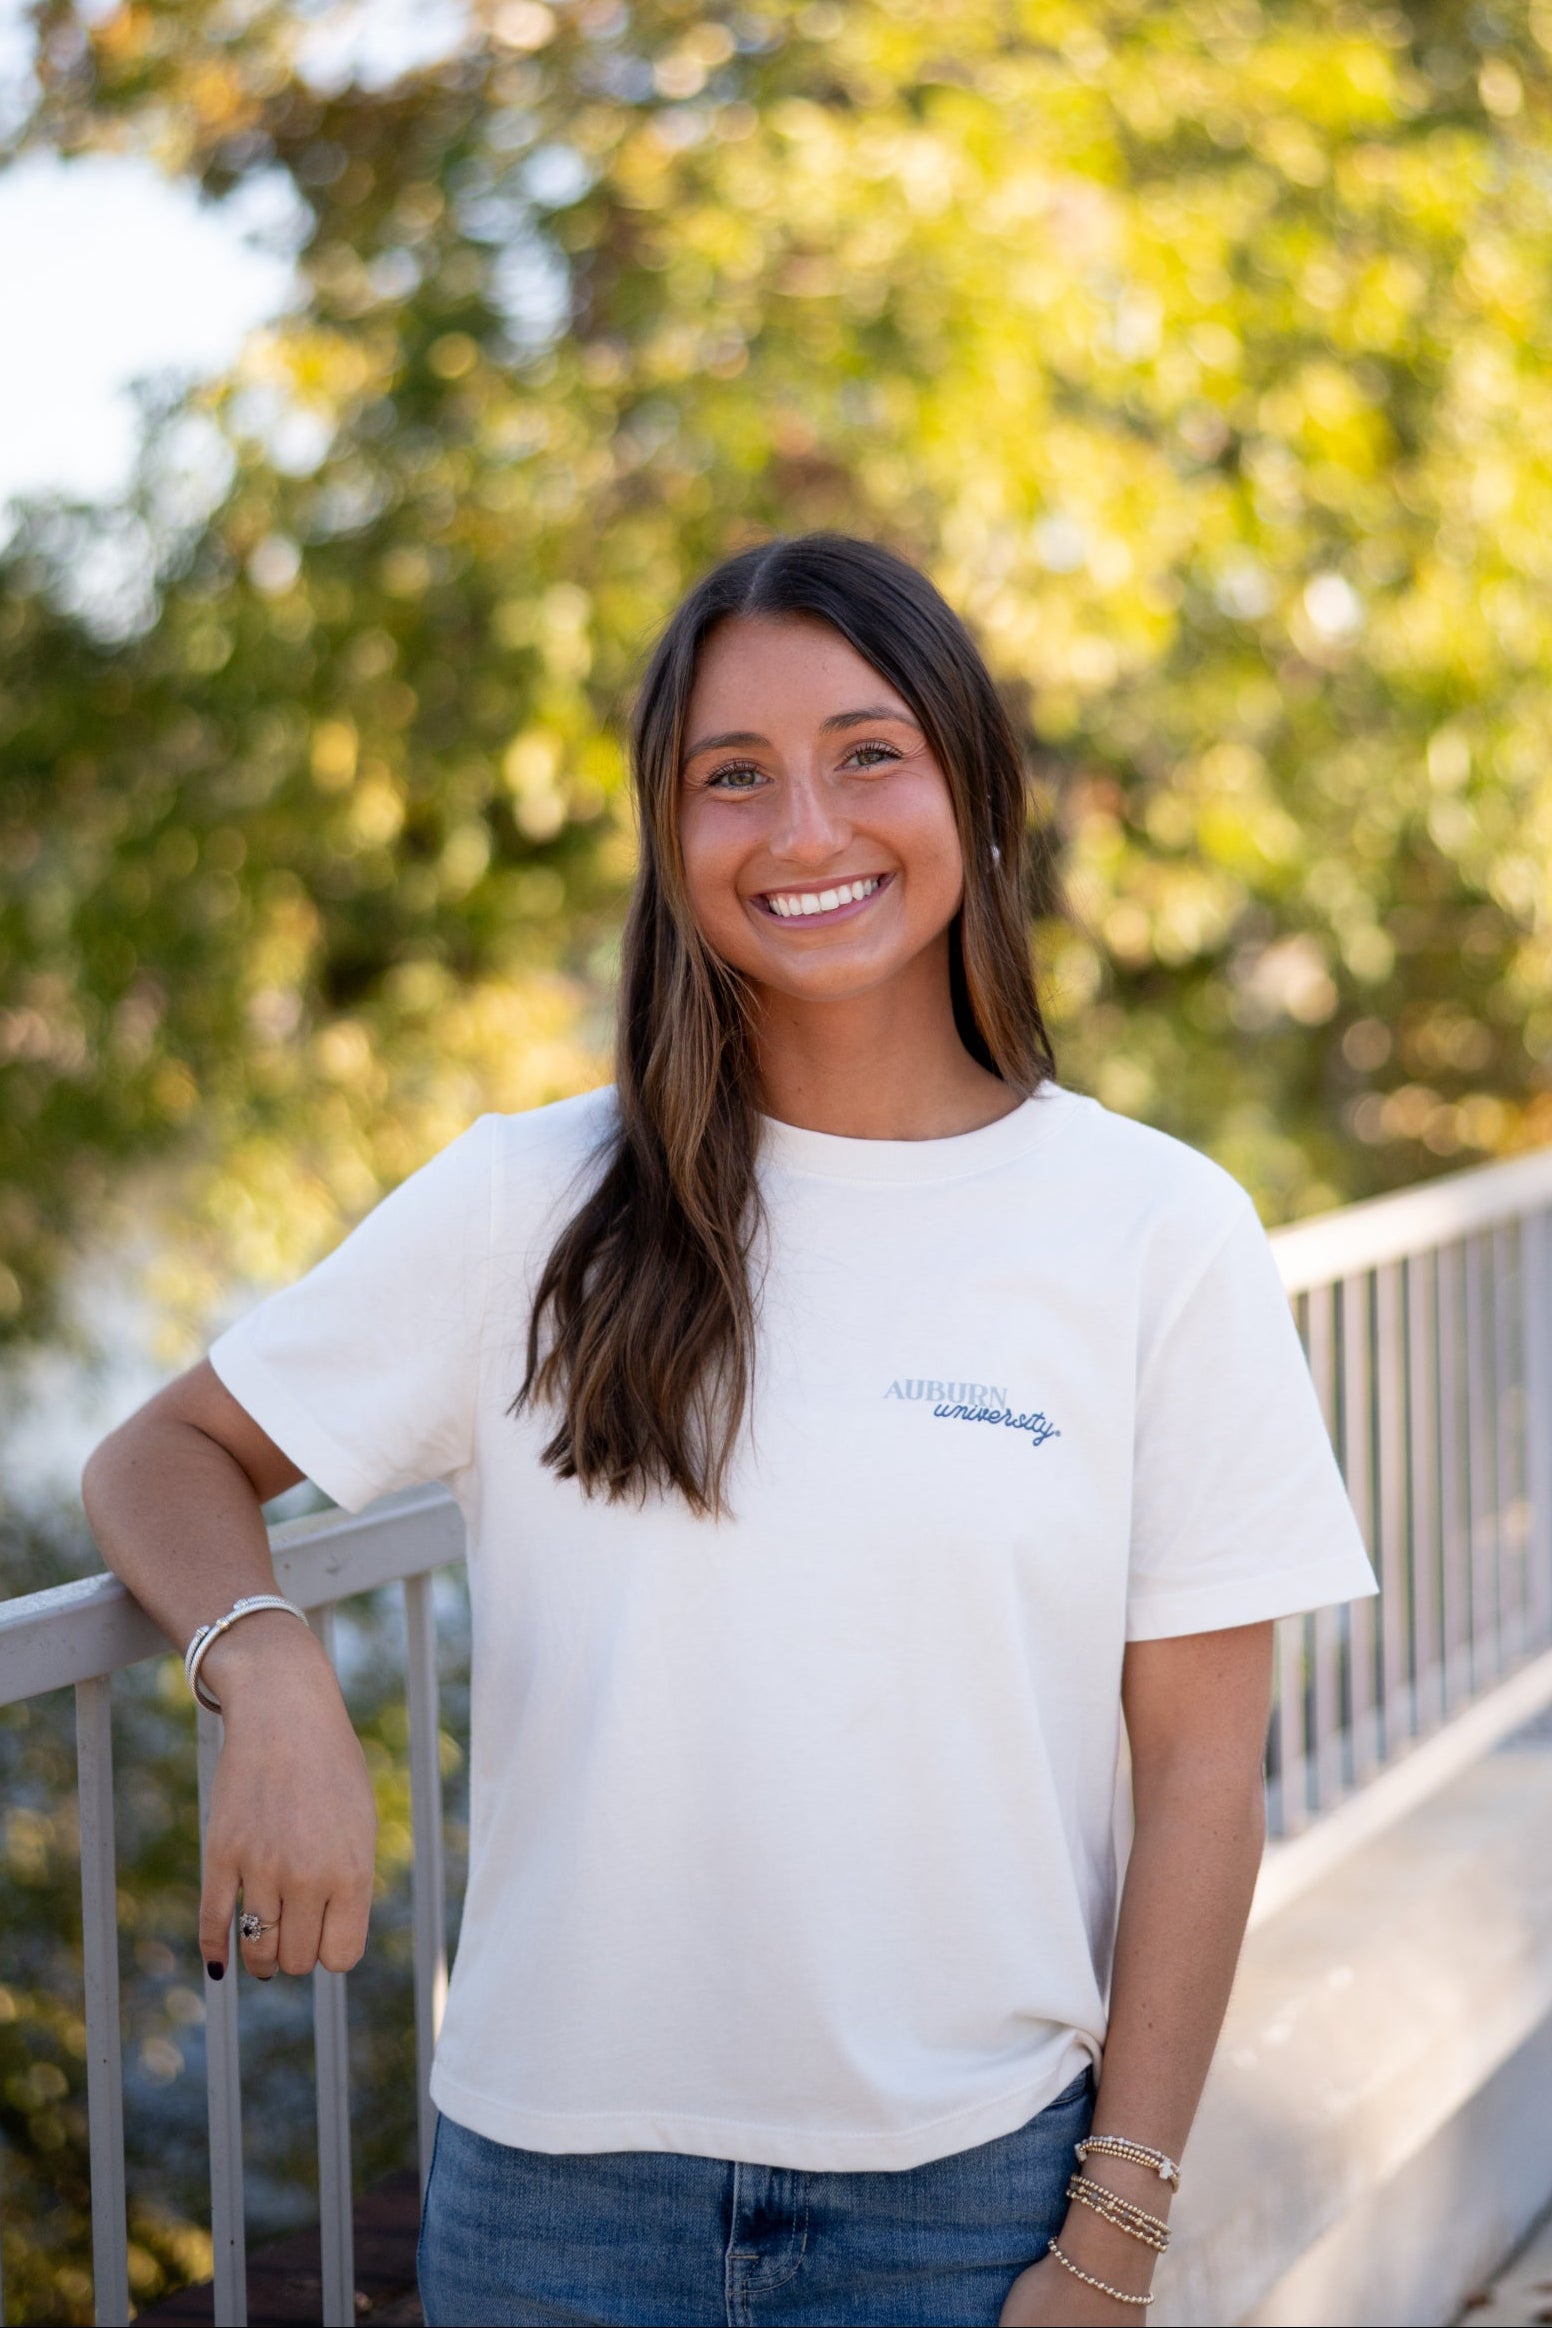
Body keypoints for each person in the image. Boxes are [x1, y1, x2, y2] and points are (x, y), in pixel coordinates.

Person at [84, 533, 1377, 2327]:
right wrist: (268, 1662)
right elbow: (161, 1454)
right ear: (672, 841)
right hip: (549, 2209)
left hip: (970, 2200)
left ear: (972, 793)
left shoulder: (1156, 1229)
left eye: (869, 755)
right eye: (733, 779)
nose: (804, 833)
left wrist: (1114, 2239)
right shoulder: (525, 1201)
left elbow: (1204, 1783)